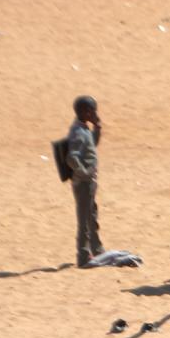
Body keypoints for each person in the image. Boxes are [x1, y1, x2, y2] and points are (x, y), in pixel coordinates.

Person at [64, 95, 105, 266]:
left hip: (88, 182)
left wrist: (97, 128)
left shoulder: (84, 129)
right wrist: (84, 172)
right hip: (83, 183)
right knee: (84, 220)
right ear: (85, 112)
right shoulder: (78, 133)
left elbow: (91, 146)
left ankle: (96, 249)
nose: (95, 113)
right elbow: (72, 157)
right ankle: (83, 255)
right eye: (92, 111)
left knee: (91, 215)